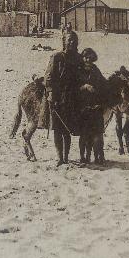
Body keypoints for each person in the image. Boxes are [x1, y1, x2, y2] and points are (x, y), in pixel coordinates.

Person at [45, 28, 83, 165]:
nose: (72, 42)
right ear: (64, 41)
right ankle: (60, 158)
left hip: (73, 98)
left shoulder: (79, 58)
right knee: (57, 129)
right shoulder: (57, 57)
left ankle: (66, 157)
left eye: (74, 40)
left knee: (67, 129)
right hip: (58, 97)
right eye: (69, 40)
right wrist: (50, 93)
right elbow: (49, 77)